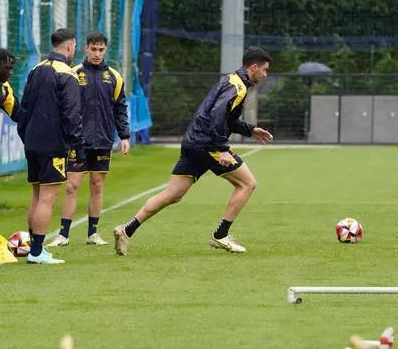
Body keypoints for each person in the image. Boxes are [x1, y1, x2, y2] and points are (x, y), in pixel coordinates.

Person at [113, 46, 274, 256]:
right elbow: (217, 117)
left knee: (173, 194)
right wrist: (222, 149)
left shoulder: (231, 80)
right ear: (254, 67)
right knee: (247, 184)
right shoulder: (238, 87)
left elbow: (227, 119)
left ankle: (126, 230)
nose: (265, 74)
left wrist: (251, 130)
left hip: (193, 142)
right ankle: (221, 235)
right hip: (208, 145)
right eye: (265, 70)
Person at [46, 32, 130, 248]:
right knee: (72, 186)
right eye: (93, 49)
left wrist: (124, 136)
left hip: (102, 140)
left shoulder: (114, 77)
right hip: (77, 141)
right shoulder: (74, 73)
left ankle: (92, 233)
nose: (97, 53)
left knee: (97, 185)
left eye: (101, 49)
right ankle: (63, 234)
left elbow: (120, 108)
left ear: (105, 50)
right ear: (85, 49)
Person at [17, 28, 84, 264]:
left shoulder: (35, 69)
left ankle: (34, 250)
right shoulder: (67, 74)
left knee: (36, 196)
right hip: (53, 144)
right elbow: (72, 114)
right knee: (47, 198)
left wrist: (26, 137)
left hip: (32, 143)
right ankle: (36, 253)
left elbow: (23, 109)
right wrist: (76, 146)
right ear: (70, 46)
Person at [0, 48, 20, 122]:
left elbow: (19, 115)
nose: (11, 72)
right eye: (7, 68)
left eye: (11, 69)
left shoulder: (5, 88)